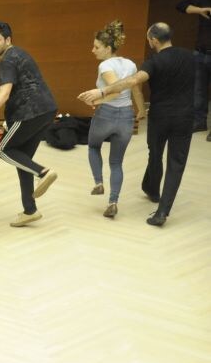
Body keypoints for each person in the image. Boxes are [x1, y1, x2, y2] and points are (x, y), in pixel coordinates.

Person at [78, 23, 195, 227]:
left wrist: (101, 94)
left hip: (159, 117)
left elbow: (131, 84)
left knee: (155, 153)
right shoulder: (190, 56)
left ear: (154, 40)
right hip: (184, 117)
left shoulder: (153, 62)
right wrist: (139, 109)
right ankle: (160, 209)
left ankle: (148, 188)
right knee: (176, 164)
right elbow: (137, 90)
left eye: (149, 38)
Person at [0, 21, 58, 227]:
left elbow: (5, 92)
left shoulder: (7, 60)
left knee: (3, 149)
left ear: (8, 40)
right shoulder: (20, 54)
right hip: (47, 110)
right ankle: (30, 210)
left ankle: (43, 172)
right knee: (22, 158)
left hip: (29, 113)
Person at [83, 20, 146, 219]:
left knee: (93, 146)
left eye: (97, 47)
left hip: (106, 114)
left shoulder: (105, 65)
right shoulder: (130, 64)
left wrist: (96, 98)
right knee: (117, 162)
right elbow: (135, 88)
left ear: (108, 48)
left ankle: (99, 182)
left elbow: (116, 89)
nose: (93, 50)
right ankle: (113, 201)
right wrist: (141, 109)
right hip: (127, 116)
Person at [176, 0, 211, 138]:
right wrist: (200, 10)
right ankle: (199, 122)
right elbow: (181, 6)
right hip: (200, 52)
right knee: (198, 90)